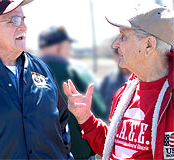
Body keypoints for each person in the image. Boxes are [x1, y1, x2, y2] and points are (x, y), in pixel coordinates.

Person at [63, 3, 174, 160]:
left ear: (149, 45)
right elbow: (112, 149)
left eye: (123, 36)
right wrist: (85, 118)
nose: (115, 44)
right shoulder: (125, 93)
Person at [0, 0, 73, 159]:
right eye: (13, 20)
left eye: (23, 19)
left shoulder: (41, 68)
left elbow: (61, 123)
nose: (23, 27)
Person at [38, 26, 107, 159]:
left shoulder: (28, 72)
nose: (69, 51)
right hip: (78, 151)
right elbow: (100, 110)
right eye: (67, 46)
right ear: (59, 47)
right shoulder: (72, 71)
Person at [100, 48, 131, 122]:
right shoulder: (109, 79)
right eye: (119, 55)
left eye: (123, 55)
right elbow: (102, 103)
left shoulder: (142, 78)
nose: (121, 58)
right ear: (114, 57)